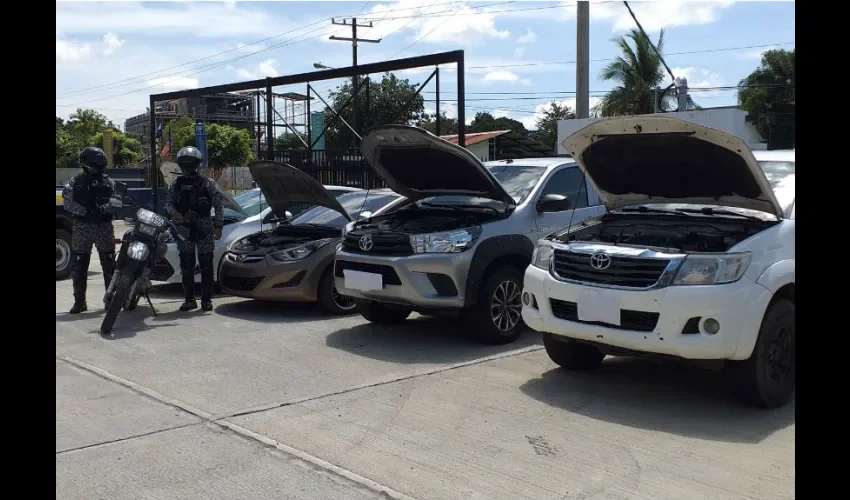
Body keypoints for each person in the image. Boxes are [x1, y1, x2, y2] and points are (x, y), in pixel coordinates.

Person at [165, 146, 223, 312]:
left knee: (206, 265)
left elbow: (219, 206)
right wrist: (174, 213)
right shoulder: (176, 184)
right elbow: (168, 203)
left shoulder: (208, 183)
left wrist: (218, 226)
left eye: (190, 163)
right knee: (187, 265)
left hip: (204, 226)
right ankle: (189, 299)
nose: (187, 166)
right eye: (184, 163)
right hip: (184, 228)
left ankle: (206, 300)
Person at [62, 147, 119, 314]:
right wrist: (85, 211)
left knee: (109, 265)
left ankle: (110, 300)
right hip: (82, 227)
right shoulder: (75, 181)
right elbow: (67, 201)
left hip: (104, 227)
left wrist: (103, 208)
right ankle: (80, 302)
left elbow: (117, 201)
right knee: (79, 265)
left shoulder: (109, 182)